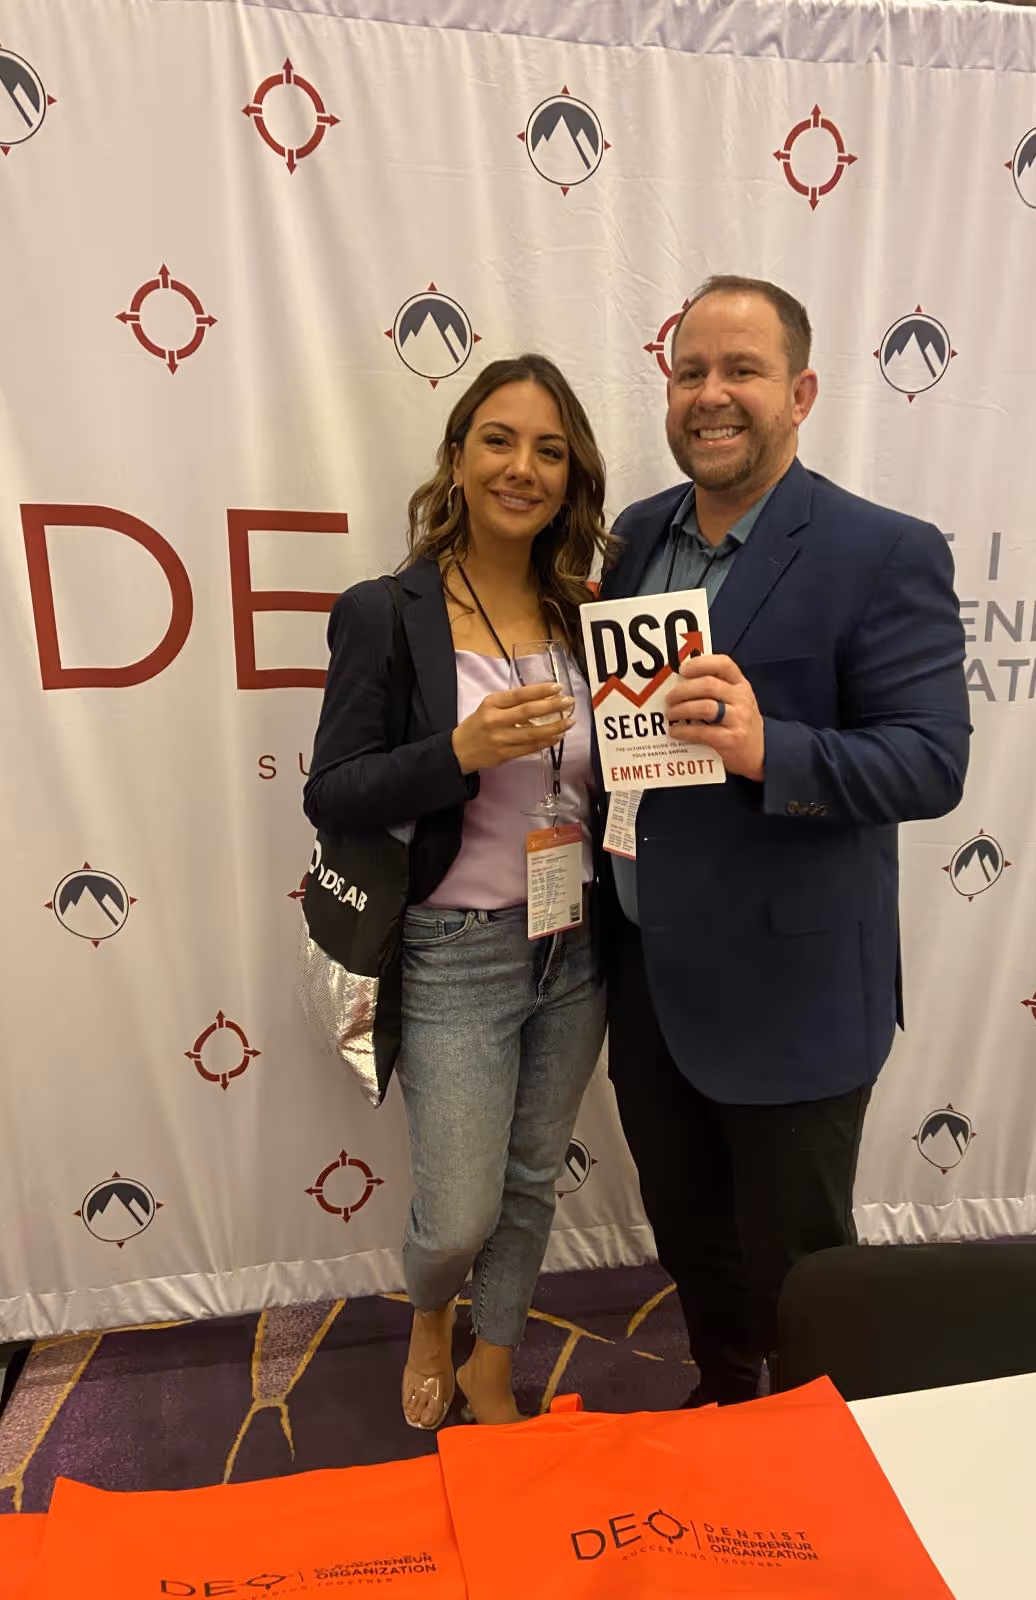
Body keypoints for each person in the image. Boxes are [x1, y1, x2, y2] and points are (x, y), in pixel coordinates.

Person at [601, 275, 972, 1406]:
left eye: (742, 371)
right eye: (690, 372)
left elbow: (930, 762)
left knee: (800, 1268)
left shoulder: (882, 551)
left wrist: (773, 749)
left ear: (801, 392)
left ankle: (817, 1444)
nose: (712, 397)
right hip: (648, 971)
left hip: (797, 990)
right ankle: (725, 1397)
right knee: (691, 1239)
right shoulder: (635, 538)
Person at [303, 355, 610, 1428]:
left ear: (571, 477)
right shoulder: (385, 612)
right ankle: (433, 1308)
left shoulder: (589, 616)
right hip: (452, 948)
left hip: (576, 942)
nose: (522, 466)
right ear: (456, 455)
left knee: (533, 1178)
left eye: (550, 449)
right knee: (460, 1210)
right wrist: (458, 749)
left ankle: (494, 1358)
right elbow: (331, 791)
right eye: (499, 439)